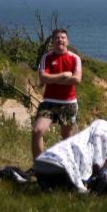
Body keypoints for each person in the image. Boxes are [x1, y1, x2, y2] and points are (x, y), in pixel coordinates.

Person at [32, 29, 82, 160]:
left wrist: (52, 79)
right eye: (57, 38)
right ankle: (39, 166)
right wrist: (64, 75)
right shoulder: (47, 57)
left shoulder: (74, 58)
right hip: (49, 102)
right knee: (37, 131)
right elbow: (43, 78)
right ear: (53, 41)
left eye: (63, 37)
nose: (60, 40)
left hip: (68, 103)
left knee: (67, 138)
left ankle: (67, 166)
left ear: (67, 41)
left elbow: (77, 79)